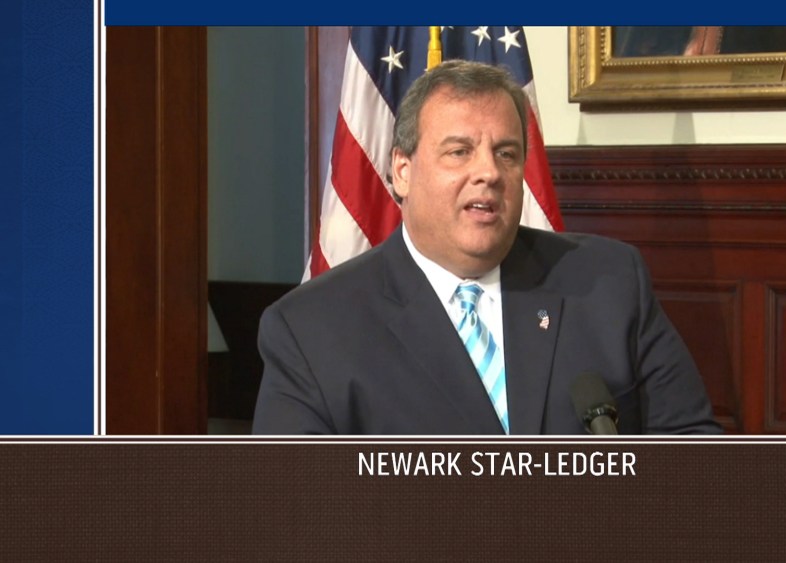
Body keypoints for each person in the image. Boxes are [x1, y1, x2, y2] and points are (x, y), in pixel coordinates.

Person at [252, 60, 721, 435]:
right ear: (402, 171)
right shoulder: (311, 330)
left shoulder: (609, 283)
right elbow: (296, 506)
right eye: (459, 152)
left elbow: (694, 456)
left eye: (506, 154)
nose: (490, 173)